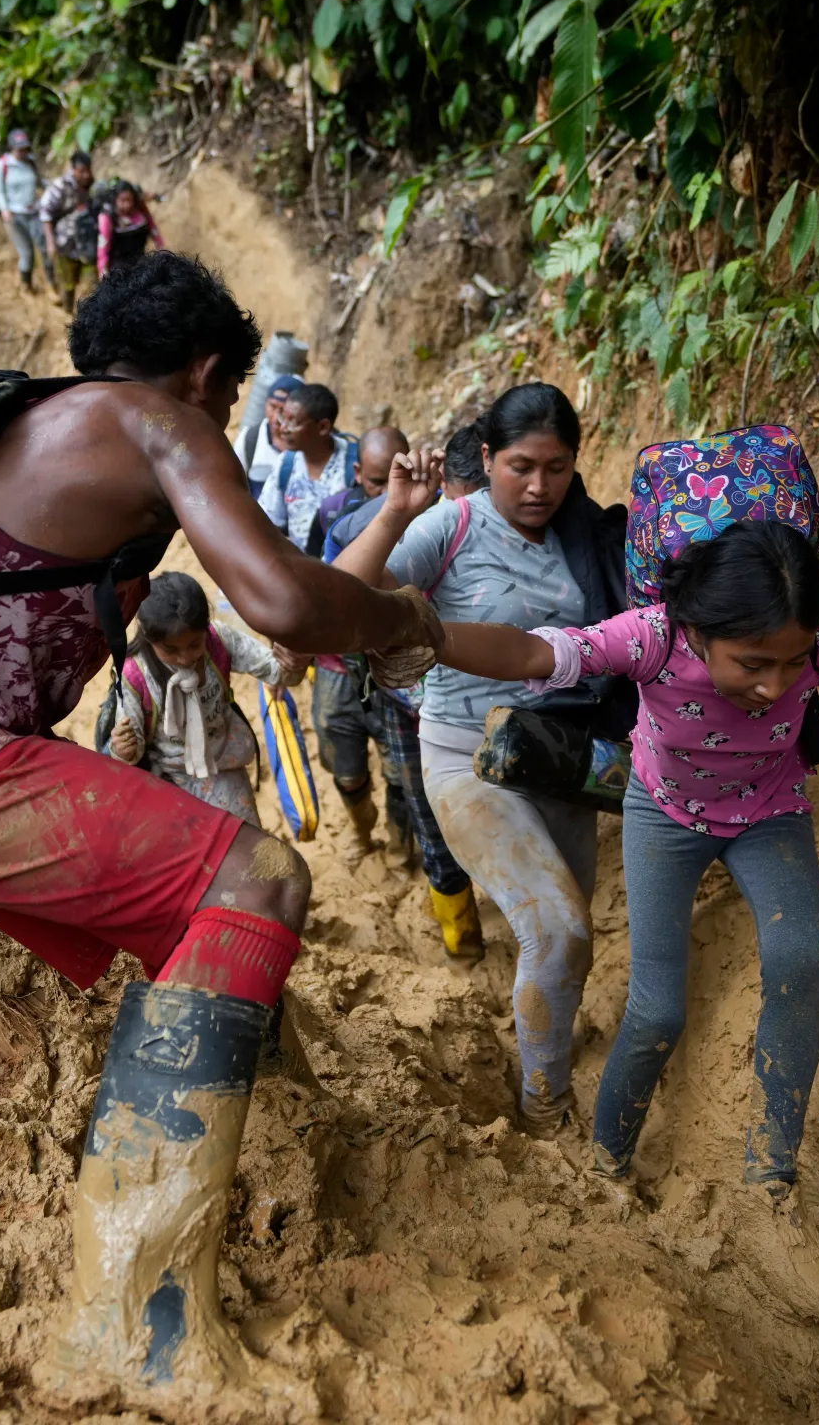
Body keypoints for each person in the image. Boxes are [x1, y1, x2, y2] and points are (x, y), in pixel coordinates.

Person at [0, 251, 442, 1397]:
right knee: (260, 882)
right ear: (205, 373)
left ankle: (273, 1128)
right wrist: (395, 619)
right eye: (233, 399)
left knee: (186, 926)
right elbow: (282, 598)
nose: (229, 423)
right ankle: (135, 1306)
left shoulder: (42, 416)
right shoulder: (154, 424)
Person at [434, 518, 819, 1323]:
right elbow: (537, 654)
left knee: (804, 962)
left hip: (772, 813)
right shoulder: (653, 638)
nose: (776, 686)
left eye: (789, 662)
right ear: (699, 632)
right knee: (659, 1008)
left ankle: (770, 1181)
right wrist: (423, 630)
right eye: (752, 664)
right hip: (664, 817)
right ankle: (606, 1161)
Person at [334, 384, 627, 1136]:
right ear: (487, 458)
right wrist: (397, 510)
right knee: (555, 932)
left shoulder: (586, 533)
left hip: (561, 758)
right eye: (521, 466)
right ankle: (545, 1107)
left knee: (573, 934)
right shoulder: (450, 526)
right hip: (466, 755)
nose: (539, 487)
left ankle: (546, 1046)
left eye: (558, 467)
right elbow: (338, 603)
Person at [326, 421, 484, 958]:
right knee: (423, 808)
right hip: (406, 701)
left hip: (481, 698)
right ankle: (462, 937)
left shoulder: (521, 534)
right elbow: (334, 601)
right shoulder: (365, 528)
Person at [299, 427, 405, 862]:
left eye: (392, 478)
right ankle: (362, 831)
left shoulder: (425, 513)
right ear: (359, 472)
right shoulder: (332, 514)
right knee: (346, 770)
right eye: (377, 481)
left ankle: (401, 846)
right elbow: (306, 580)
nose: (385, 492)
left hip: (397, 674)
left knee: (402, 774)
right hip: (337, 672)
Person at [107, 573, 284, 827]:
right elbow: (128, 755)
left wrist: (293, 657)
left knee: (247, 843)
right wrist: (123, 750)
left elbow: (275, 668)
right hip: (166, 776)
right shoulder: (134, 676)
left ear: (206, 629)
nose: (184, 658)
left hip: (221, 764)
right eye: (170, 650)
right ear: (148, 637)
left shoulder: (219, 641)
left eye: (194, 644)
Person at [259, 382, 358, 556]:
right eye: (284, 418)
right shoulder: (286, 465)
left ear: (323, 427)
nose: (283, 429)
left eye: (293, 422)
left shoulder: (353, 467)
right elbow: (268, 522)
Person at [39, 149, 98, 311]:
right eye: (82, 171)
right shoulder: (60, 186)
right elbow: (45, 213)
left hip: (87, 244)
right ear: (73, 169)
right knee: (68, 284)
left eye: (88, 170)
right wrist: (50, 243)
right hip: (65, 244)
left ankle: (87, 317)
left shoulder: (92, 186)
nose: (86, 175)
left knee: (91, 285)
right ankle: (67, 311)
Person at [0, 129, 45, 292]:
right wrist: (5, 210)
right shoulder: (3, 165)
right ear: (11, 147)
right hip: (15, 215)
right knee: (26, 253)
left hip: (34, 212)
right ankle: (25, 285)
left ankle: (50, 283)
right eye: (19, 149)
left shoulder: (30, 162)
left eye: (25, 148)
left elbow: (39, 182)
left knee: (44, 247)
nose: (23, 152)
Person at [238, 374, 301, 499]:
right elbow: (233, 484)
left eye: (283, 410)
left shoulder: (307, 444)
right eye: (272, 406)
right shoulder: (251, 438)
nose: (276, 416)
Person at [96, 180, 162, 278]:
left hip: (140, 264)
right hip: (118, 269)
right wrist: (103, 271)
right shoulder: (108, 217)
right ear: (115, 200)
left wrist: (161, 247)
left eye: (129, 200)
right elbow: (103, 247)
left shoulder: (140, 210)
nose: (127, 205)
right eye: (122, 201)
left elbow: (152, 228)